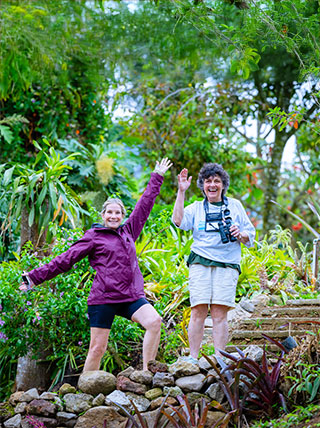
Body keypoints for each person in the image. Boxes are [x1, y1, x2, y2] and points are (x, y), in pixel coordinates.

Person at [19, 158, 172, 372]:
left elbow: (144, 204)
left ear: (122, 216)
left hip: (130, 296)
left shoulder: (129, 231)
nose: (113, 216)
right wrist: (34, 277)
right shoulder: (94, 237)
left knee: (154, 322)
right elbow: (65, 259)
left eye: (117, 213)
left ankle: (147, 374)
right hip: (104, 298)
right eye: (109, 212)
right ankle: (86, 393)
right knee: (97, 348)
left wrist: (157, 176)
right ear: (103, 216)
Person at [172, 163, 255, 363]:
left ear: (223, 185)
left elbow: (250, 234)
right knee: (198, 310)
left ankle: (219, 357)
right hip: (200, 261)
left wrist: (240, 234)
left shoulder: (234, 205)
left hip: (227, 264)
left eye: (217, 181)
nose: (212, 185)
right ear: (202, 185)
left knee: (219, 312)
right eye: (208, 181)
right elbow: (178, 221)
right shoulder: (196, 208)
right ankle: (193, 357)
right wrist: (181, 191)